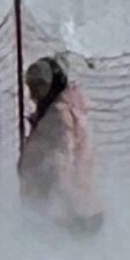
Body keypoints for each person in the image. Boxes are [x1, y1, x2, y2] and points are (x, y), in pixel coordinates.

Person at [17, 54, 104, 236]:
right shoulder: (63, 111)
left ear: (51, 85)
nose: (32, 94)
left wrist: (66, 210)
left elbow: (61, 163)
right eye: (30, 87)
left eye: (38, 86)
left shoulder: (58, 117)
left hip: (67, 213)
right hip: (76, 206)